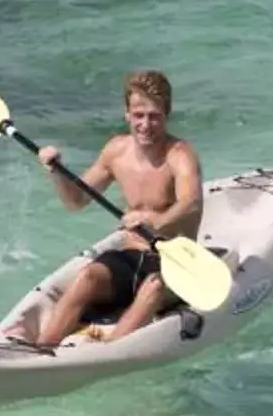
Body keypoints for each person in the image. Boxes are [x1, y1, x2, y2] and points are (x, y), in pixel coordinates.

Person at [22, 69, 206, 346]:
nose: (145, 124)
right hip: (131, 256)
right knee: (88, 277)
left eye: (154, 115)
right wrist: (56, 173)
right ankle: (41, 349)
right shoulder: (116, 151)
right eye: (138, 115)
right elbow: (77, 201)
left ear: (166, 115)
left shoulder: (180, 155)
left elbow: (191, 203)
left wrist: (154, 221)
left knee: (153, 288)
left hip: (175, 263)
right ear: (127, 114)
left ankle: (105, 354)